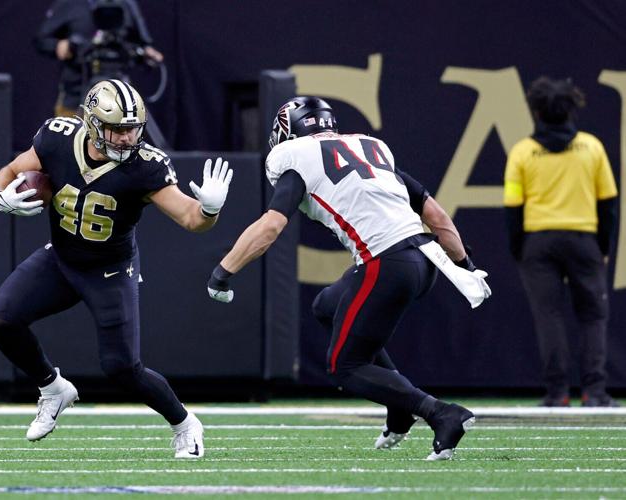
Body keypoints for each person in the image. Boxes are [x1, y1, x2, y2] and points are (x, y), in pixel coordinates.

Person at [205, 96, 491, 460]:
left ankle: (440, 413)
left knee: (346, 366)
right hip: (426, 260)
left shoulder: (294, 159)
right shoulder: (370, 148)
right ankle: (399, 407)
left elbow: (271, 226)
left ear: (285, 132)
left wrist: (222, 272)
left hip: (385, 263)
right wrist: (464, 264)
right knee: (327, 306)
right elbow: (436, 216)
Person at [0, 79, 233, 458]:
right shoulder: (56, 138)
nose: (125, 138)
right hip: (61, 258)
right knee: (2, 319)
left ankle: (185, 424)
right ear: (90, 122)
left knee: (122, 368)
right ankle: (53, 388)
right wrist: (1, 197)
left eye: (132, 128)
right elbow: (9, 171)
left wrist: (210, 211)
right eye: (116, 128)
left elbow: (190, 218)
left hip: (110, 270)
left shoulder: (145, 165)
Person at [504, 76, 619, 408]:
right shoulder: (591, 147)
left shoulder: (523, 151)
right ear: (571, 109)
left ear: (536, 112)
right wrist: (604, 248)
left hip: (538, 242)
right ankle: (595, 392)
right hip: (584, 240)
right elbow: (608, 203)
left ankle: (557, 393)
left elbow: (513, 207)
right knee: (594, 316)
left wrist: (519, 249)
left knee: (549, 316)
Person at [34, 0, 164, 117]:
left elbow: (143, 43)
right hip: (76, 91)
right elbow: (41, 40)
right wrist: (58, 45)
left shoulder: (127, 3)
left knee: (125, 138)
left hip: (118, 91)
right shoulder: (69, 3)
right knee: (71, 140)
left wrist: (146, 52)